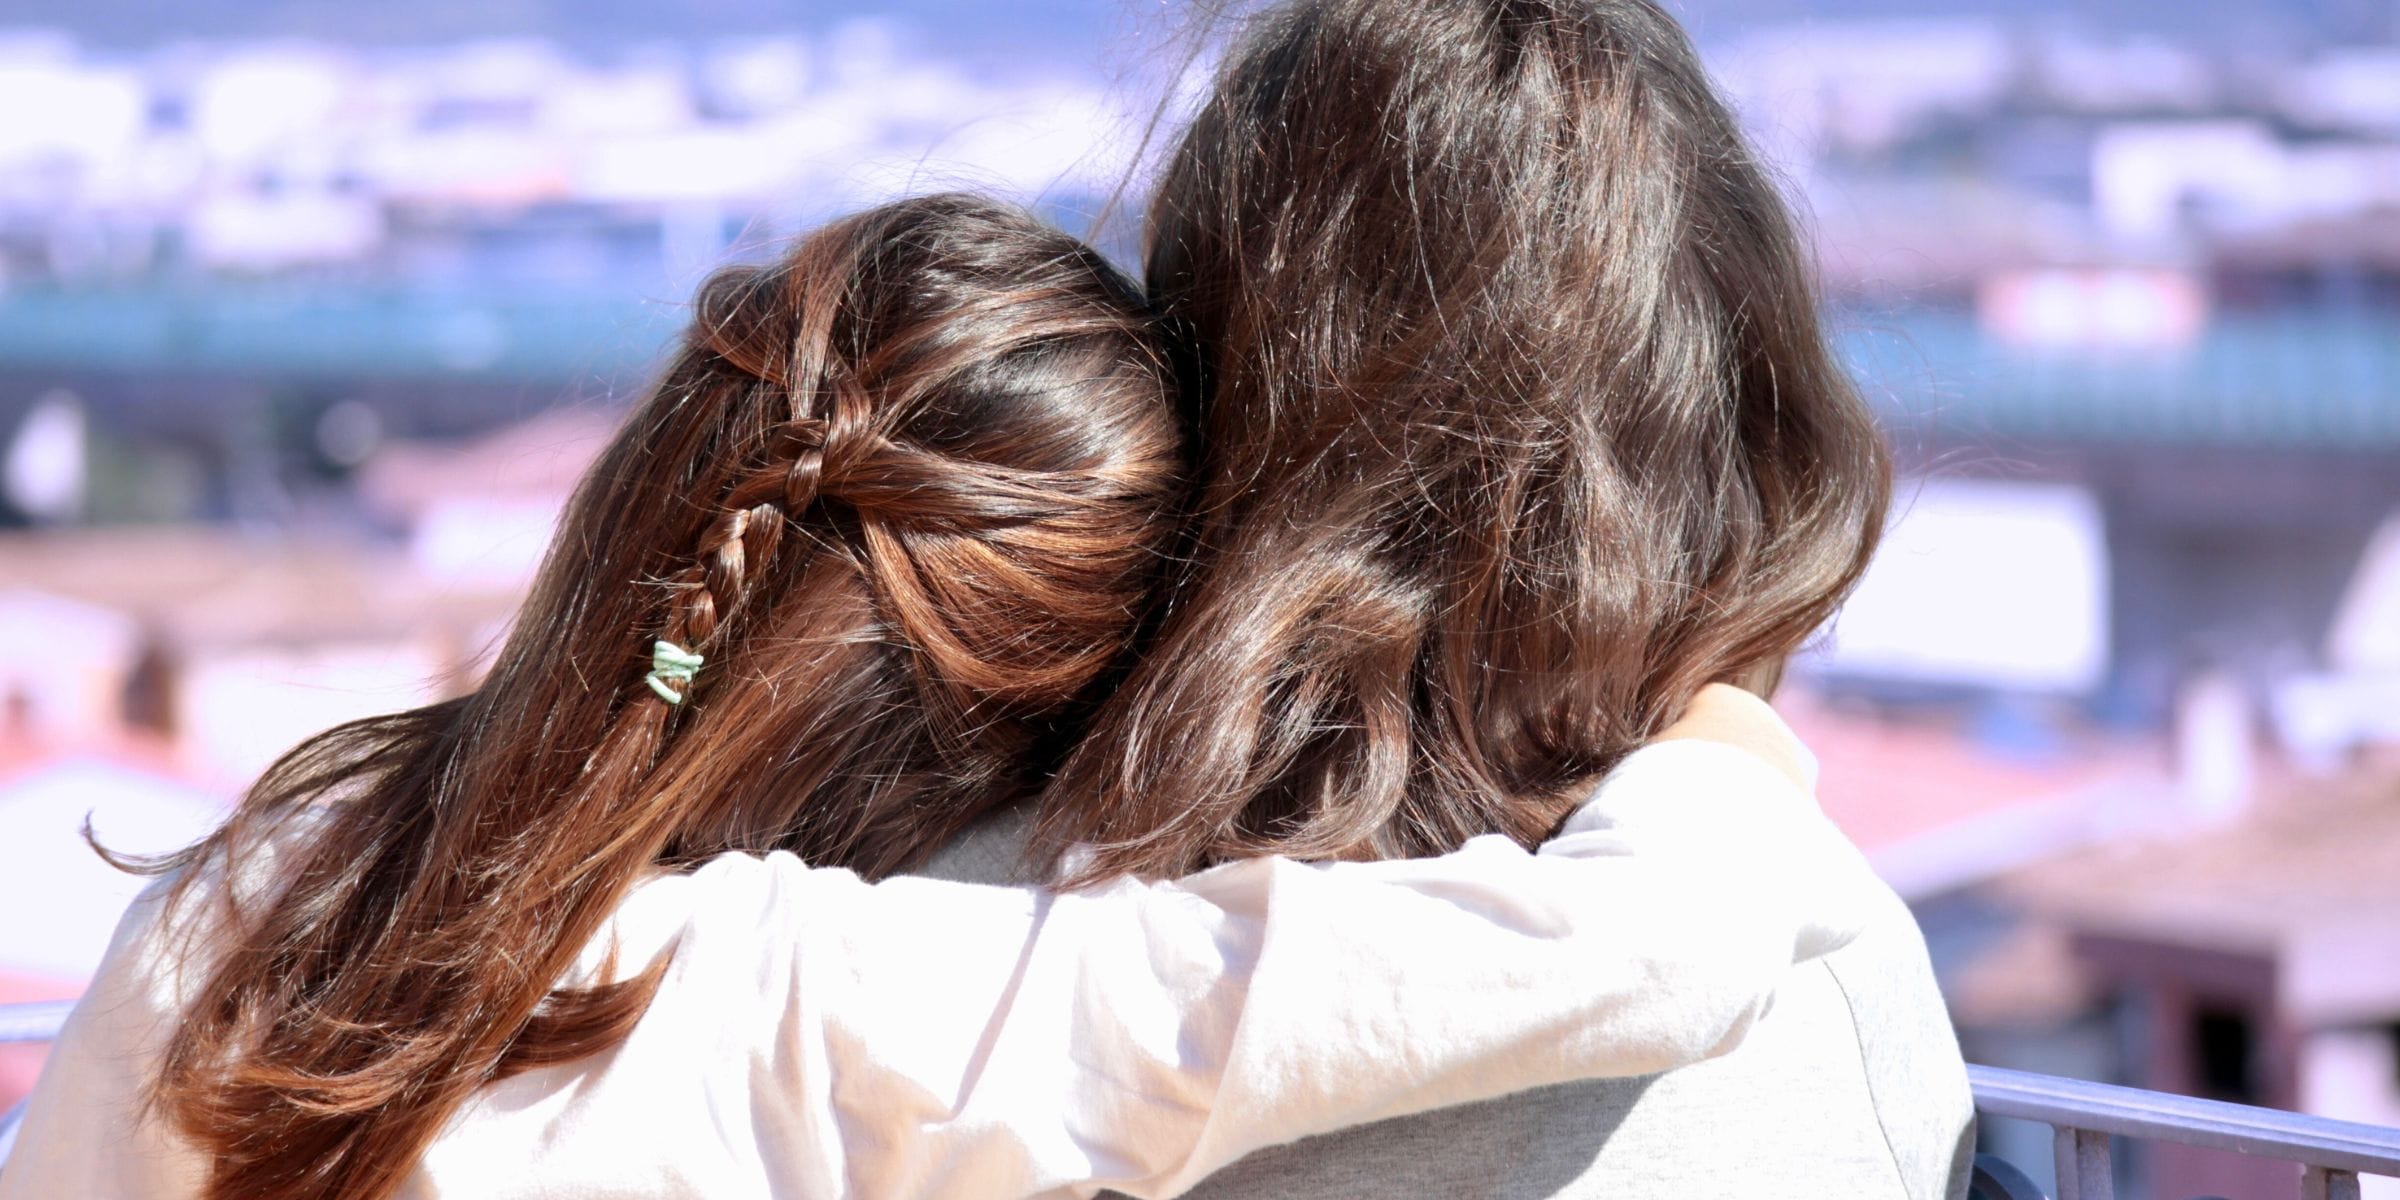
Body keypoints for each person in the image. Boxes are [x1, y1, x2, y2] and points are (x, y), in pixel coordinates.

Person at [0, 195, 1883, 1200]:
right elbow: (1651, 946)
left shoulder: (261, 885)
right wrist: (1717, 695)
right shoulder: (816, 1013)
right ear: (1006, 705)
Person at [924, 0, 1975, 1195]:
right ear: (1724, 420)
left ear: (1186, 371)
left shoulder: (936, 955)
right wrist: (1734, 740)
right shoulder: (1813, 977)